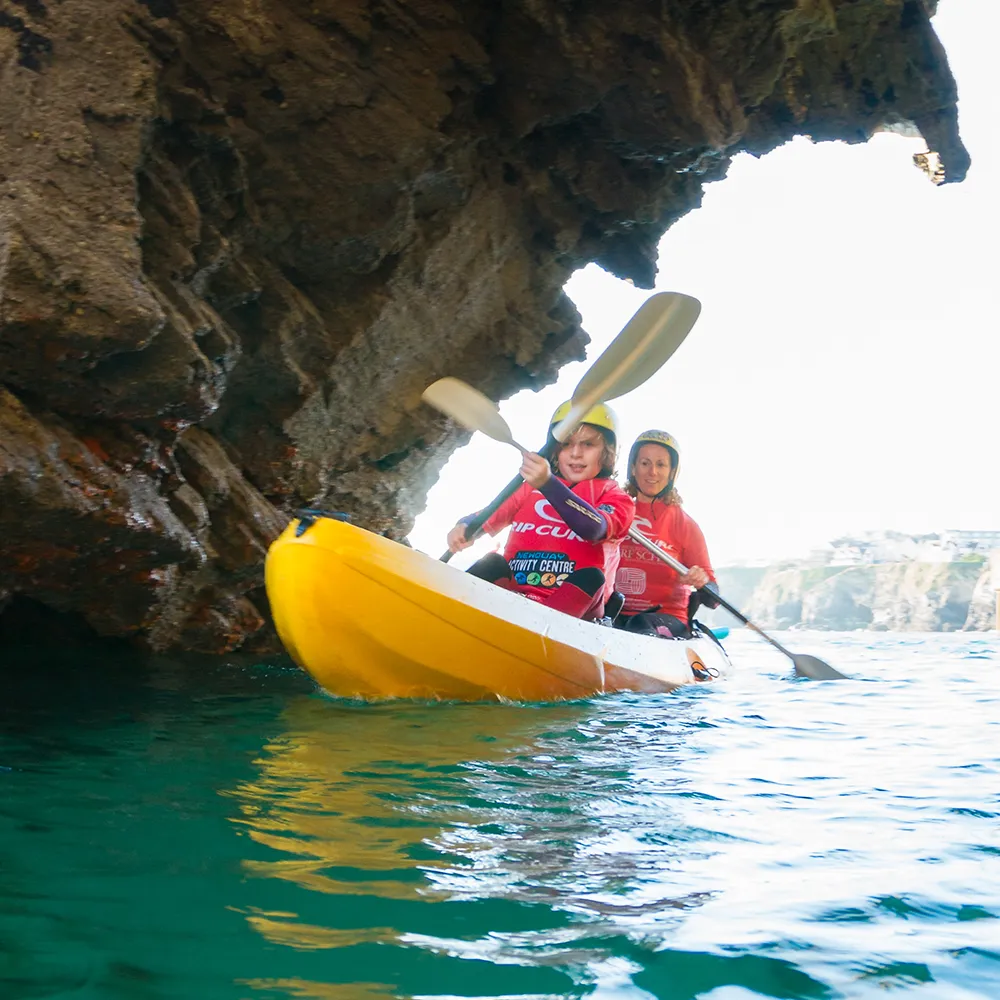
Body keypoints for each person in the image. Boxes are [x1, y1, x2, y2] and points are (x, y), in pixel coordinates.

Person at [446, 402, 634, 620]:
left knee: (592, 577)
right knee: (492, 562)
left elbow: (594, 528)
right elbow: (488, 515)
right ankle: (448, 615)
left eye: (588, 444)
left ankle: (543, 630)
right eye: (566, 444)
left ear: (608, 451)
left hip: (576, 613)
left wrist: (547, 484)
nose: (575, 453)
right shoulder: (529, 487)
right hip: (513, 596)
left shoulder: (616, 497)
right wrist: (465, 527)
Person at [613, 430, 719, 637]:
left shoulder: (685, 525)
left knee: (639, 623)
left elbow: (713, 599)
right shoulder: (615, 512)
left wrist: (702, 580)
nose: (652, 471)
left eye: (660, 464)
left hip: (666, 619)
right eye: (645, 463)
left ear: (671, 473)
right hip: (616, 612)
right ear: (633, 469)